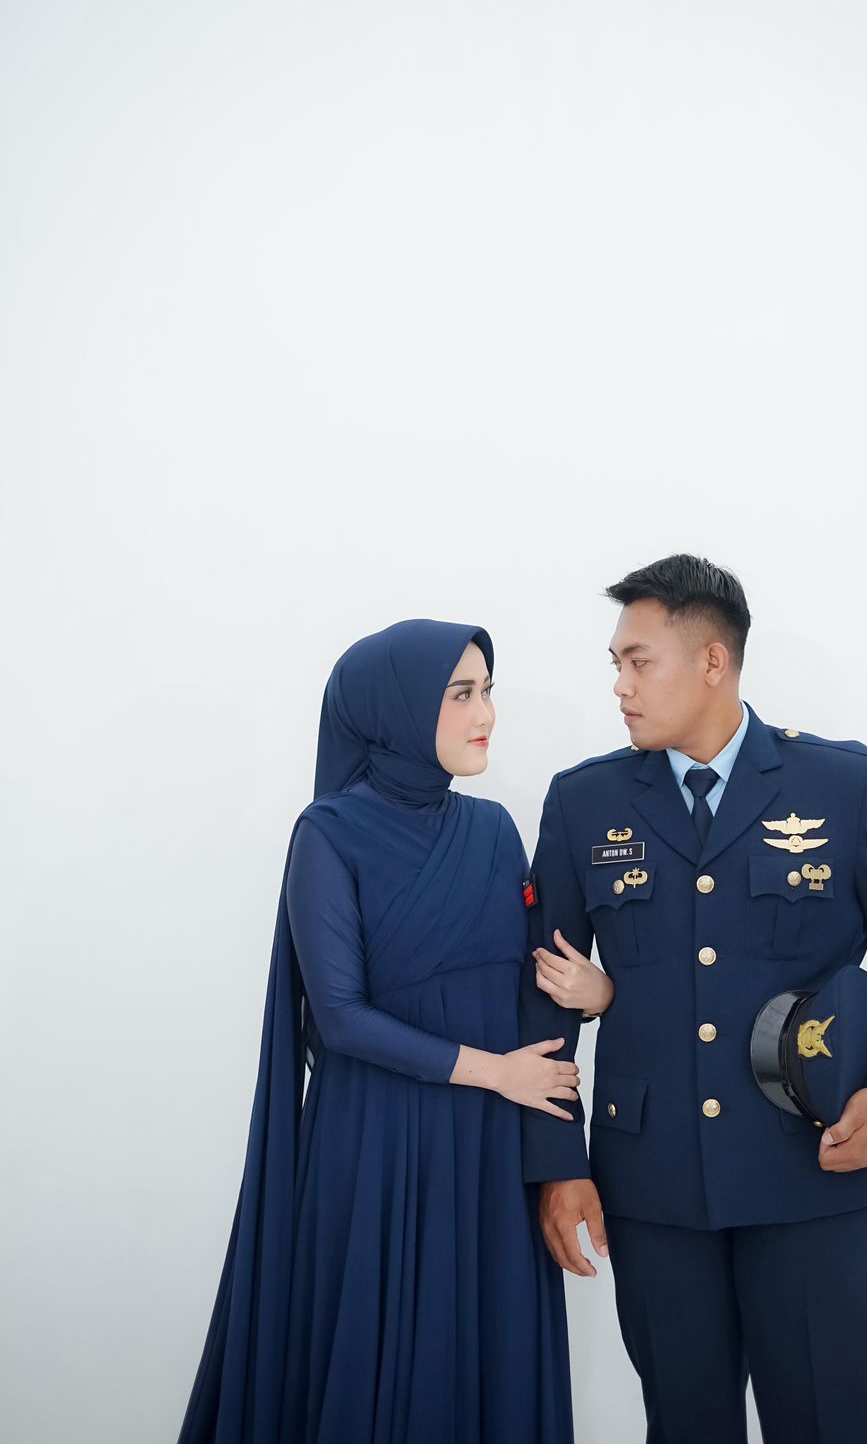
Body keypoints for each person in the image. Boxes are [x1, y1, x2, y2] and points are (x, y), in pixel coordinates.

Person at [519, 556, 867, 1444]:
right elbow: (546, 996)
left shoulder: (843, 785)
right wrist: (558, 1162)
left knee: (832, 1422)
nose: (619, 686)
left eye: (638, 662)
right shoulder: (584, 801)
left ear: (712, 662)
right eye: (615, 664)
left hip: (810, 1171)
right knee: (686, 1424)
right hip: (652, 1185)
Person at [177, 618, 611, 1444]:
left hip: (485, 1150)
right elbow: (340, 1016)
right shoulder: (328, 833)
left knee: (479, 1355)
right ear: (397, 709)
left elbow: (536, 979)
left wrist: (600, 992)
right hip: (377, 1144)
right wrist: (497, 1073)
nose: (486, 713)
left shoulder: (493, 828)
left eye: (488, 691)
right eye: (461, 694)